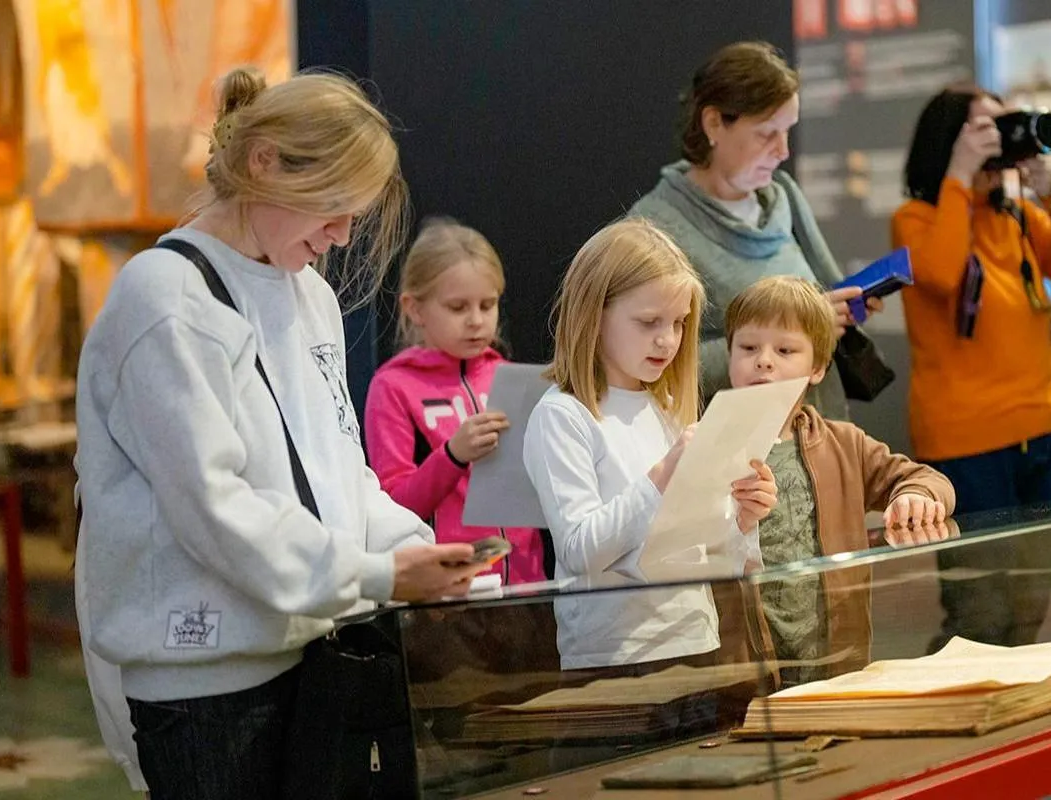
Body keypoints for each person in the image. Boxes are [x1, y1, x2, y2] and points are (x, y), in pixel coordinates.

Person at [73, 68, 488, 799]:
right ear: (262, 162)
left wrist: (420, 552)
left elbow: (339, 475)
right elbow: (215, 508)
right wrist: (379, 577)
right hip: (204, 684)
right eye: (330, 208)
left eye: (354, 215)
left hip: (311, 652)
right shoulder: (165, 297)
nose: (340, 236)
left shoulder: (311, 297)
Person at [893, 84, 1051, 647]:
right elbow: (944, 274)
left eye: (1003, 126)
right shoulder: (917, 219)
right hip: (967, 448)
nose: (1000, 139)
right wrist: (959, 176)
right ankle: (958, 726)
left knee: (1029, 607)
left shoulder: (1014, 219)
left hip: (1043, 436)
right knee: (978, 614)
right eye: (983, 129)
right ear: (951, 141)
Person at [522, 218, 778, 672]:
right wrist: (661, 476)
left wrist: (742, 517)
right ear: (594, 314)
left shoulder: (667, 406)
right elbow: (580, 550)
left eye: (679, 323)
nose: (668, 340)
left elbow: (700, 546)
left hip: (695, 638)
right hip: (614, 655)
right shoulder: (563, 415)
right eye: (648, 322)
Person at [630, 41, 881, 420]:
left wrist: (848, 307)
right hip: (737, 452)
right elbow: (646, 364)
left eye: (787, 132)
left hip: (818, 428)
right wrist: (794, 332)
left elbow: (827, 289)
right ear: (714, 123)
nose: (783, 151)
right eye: (767, 134)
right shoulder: (655, 227)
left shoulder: (782, 195)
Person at [726, 276, 956, 683]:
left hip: (836, 664)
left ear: (817, 367)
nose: (763, 360)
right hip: (743, 671)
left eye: (784, 350)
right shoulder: (704, 445)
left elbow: (925, 478)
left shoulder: (845, 443)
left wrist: (916, 496)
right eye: (748, 348)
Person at [364, 218, 546, 585]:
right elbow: (393, 508)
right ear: (415, 309)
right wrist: (452, 455)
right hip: (450, 596)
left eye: (488, 304)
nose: (477, 321)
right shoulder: (393, 386)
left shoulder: (511, 377)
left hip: (529, 587)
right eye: (458, 307)